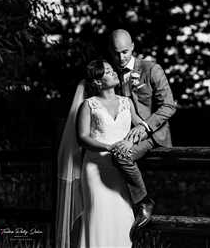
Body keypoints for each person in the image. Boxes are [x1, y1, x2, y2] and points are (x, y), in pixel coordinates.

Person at [56, 59, 150, 247]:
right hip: (95, 169)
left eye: (111, 69)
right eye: (108, 71)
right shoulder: (89, 105)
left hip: (120, 169)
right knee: (99, 215)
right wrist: (108, 147)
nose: (114, 72)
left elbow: (141, 125)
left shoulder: (126, 102)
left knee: (123, 216)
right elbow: (82, 137)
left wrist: (134, 136)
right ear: (98, 82)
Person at [108, 29, 177, 231]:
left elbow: (169, 106)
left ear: (133, 48)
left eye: (124, 52)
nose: (120, 58)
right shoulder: (111, 73)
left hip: (152, 132)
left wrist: (145, 127)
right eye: (115, 53)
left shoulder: (151, 69)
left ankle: (144, 202)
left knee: (122, 156)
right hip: (124, 132)